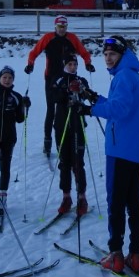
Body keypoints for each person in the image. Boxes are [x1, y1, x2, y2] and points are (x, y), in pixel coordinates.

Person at [86, 35, 139, 273]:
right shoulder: (131, 75)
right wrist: (95, 98)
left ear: (123, 55)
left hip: (121, 149)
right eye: (105, 54)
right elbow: (117, 104)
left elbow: (120, 109)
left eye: (112, 54)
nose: (108, 58)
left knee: (116, 202)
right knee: (133, 201)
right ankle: (135, 254)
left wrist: (89, 109)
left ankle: (115, 253)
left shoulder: (123, 76)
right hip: (135, 148)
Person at [23, 15, 94, 155]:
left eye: (64, 26)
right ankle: (47, 141)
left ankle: (70, 137)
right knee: (51, 110)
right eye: (60, 27)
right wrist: (30, 65)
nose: (62, 29)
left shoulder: (72, 38)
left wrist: (88, 63)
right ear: (55, 26)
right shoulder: (48, 37)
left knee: (70, 107)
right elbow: (34, 52)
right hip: (51, 77)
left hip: (68, 77)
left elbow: (84, 52)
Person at [0, 66, 31, 231]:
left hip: (9, 138)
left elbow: (20, 119)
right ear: (0, 78)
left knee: (5, 168)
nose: (7, 80)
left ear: (13, 80)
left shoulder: (16, 97)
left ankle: (2, 197)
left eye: (10, 78)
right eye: (5, 77)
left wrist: (25, 106)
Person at [49, 55, 93, 216]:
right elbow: (53, 97)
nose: (73, 67)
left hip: (77, 125)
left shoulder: (81, 79)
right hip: (61, 125)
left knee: (77, 162)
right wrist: (66, 91)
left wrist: (81, 90)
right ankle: (66, 196)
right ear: (64, 65)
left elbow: (88, 96)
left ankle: (82, 197)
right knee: (64, 162)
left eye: (75, 64)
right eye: (70, 64)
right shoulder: (58, 79)